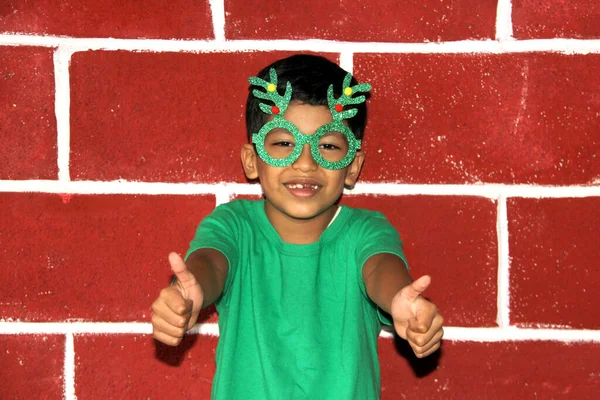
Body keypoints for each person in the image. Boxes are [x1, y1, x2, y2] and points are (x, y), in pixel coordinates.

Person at [151, 54, 444, 399]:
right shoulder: (233, 226)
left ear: (352, 166)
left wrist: (400, 299)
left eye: (329, 146)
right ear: (251, 160)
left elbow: (381, 267)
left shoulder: (366, 232)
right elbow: (211, 263)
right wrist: (186, 294)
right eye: (284, 143)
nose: (305, 164)